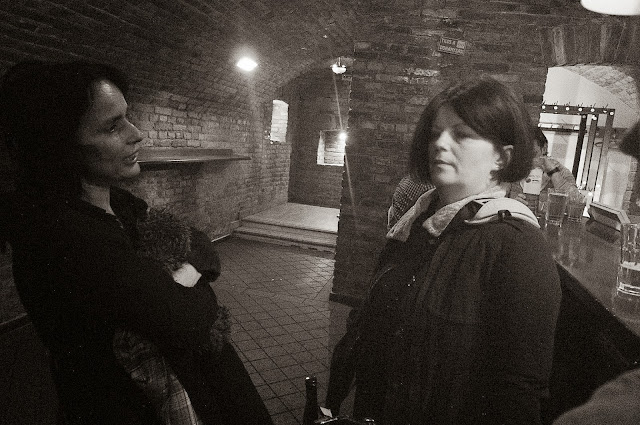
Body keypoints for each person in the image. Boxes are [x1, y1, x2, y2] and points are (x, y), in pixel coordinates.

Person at [0, 61, 272, 425]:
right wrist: (196, 285)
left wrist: (182, 278)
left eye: (127, 117)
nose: (137, 134)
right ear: (58, 145)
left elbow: (201, 244)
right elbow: (188, 321)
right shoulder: (66, 236)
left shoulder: (119, 203)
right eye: (113, 126)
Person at [325, 76, 562, 425]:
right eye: (435, 133)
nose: (440, 143)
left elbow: (516, 393)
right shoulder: (419, 218)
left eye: (461, 135)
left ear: (502, 157)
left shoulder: (515, 245)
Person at [509, 126, 579, 204]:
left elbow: (576, 201)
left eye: (532, 154)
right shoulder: (512, 172)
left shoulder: (561, 172)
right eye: (521, 154)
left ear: (544, 148)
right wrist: (512, 205)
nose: (527, 159)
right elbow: (500, 202)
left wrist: (553, 172)